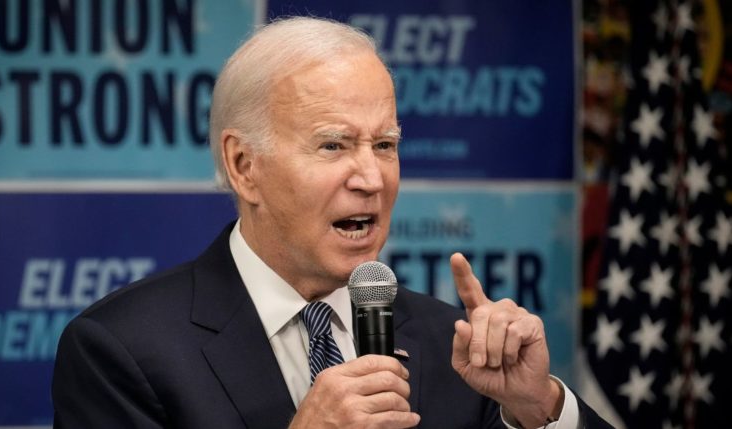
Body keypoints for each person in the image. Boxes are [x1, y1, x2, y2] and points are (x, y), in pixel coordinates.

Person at [52, 16, 612, 429]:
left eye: (385, 144)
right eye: (332, 145)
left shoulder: (455, 346)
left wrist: (540, 407)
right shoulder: (122, 350)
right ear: (244, 167)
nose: (370, 176)